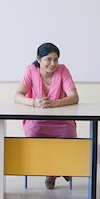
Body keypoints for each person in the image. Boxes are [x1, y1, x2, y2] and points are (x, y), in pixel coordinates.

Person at [14, 42, 79, 189]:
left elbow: (74, 97)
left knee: (69, 134)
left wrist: (58, 103)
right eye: (48, 59)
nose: (53, 63)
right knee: (32, 131)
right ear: (39, 59)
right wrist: (34, 102)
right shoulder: (31, 70)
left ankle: (55, 172)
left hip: (61, 120)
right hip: (38, 120)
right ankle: (58, 170)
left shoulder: (63, 70)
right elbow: (17, 95)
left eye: (55, 59)